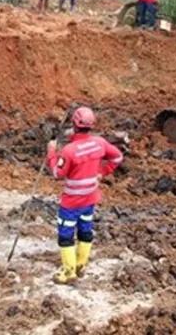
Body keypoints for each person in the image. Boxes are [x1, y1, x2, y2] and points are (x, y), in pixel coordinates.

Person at [46, 106, 123, 285]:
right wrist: (103, 172)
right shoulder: (99, 143)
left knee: (65, 235)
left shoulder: (69, 150)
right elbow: (117, 157)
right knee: (85, 230)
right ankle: (81, 265)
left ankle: (69, 272)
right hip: (89, 199)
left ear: (74, 124)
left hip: (71, 203)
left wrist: (51, 152)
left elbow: (57, 173)